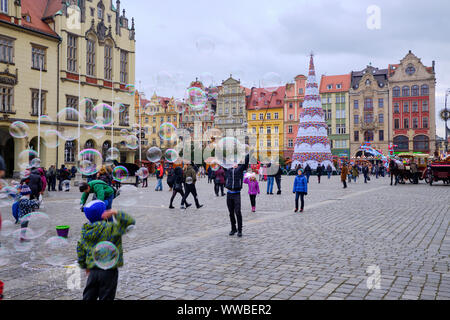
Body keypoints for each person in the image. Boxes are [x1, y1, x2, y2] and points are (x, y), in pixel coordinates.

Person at [77, 200, 135, 300]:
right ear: (103, 214)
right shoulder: (111, 228)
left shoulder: (85, 230)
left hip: (93, 270)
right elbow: (130, 223)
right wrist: (115, 212)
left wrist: (84, 265)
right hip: (109, 271)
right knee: (106, 296)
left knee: (89, 295)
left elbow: (80, 249)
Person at [224, 154, 249, 238]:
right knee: (231, 212)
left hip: (237, 193)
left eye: (235, 162)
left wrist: (248, 153)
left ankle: (240, 230)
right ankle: (233, 228)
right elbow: (222, 162)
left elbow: (245, 163)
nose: (234, 164)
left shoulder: (240, 169)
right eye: (232, 162)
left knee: (237, 212)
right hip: (229, 193)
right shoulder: (228, 170)